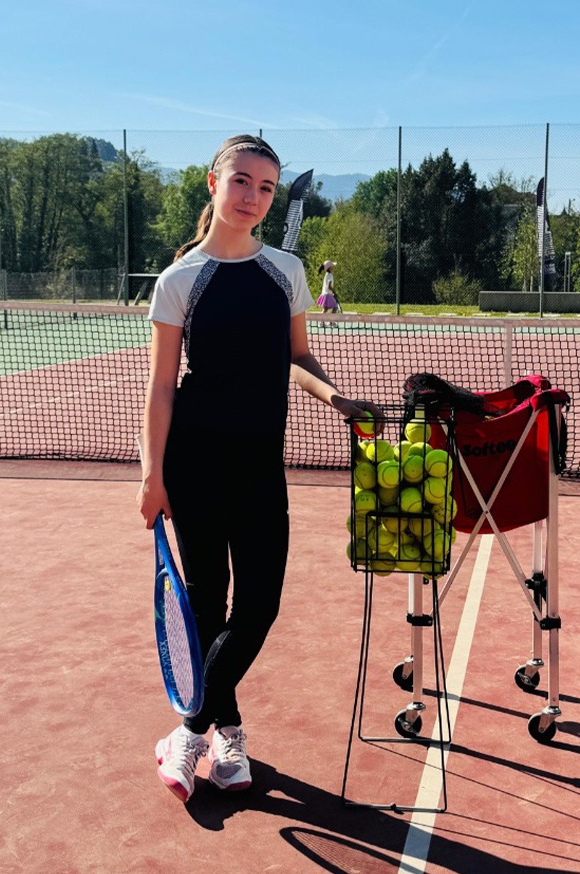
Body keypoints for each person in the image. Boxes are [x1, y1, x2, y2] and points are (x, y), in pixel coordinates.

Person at [137, 134, 378, 803]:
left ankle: (188, 730)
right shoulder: (180, 280)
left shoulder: (286, 272)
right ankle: (227, 733)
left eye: (266, 188)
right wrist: (152, 474)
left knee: (260, 606)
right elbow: (161, 387)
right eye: (241, 181)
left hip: (258, 460)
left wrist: (338, 400)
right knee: (210, 602)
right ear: (213, 184)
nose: (253, 197)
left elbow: (298, 357)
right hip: (194, 458)